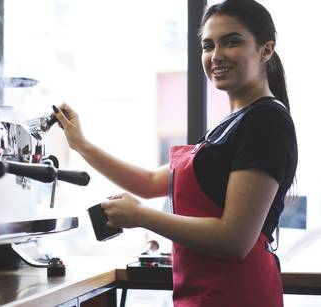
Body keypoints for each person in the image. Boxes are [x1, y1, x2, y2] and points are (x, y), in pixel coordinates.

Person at [51, 0, 297, 306]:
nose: (216, 56)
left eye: (232, 42)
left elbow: (235, 239)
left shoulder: (266, 121)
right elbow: (149, 182)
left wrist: (141, 216)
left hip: (236, 295)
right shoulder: (230, 125)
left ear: (266, 50)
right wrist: (80, 144)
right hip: (205, 294)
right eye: (208, 46)